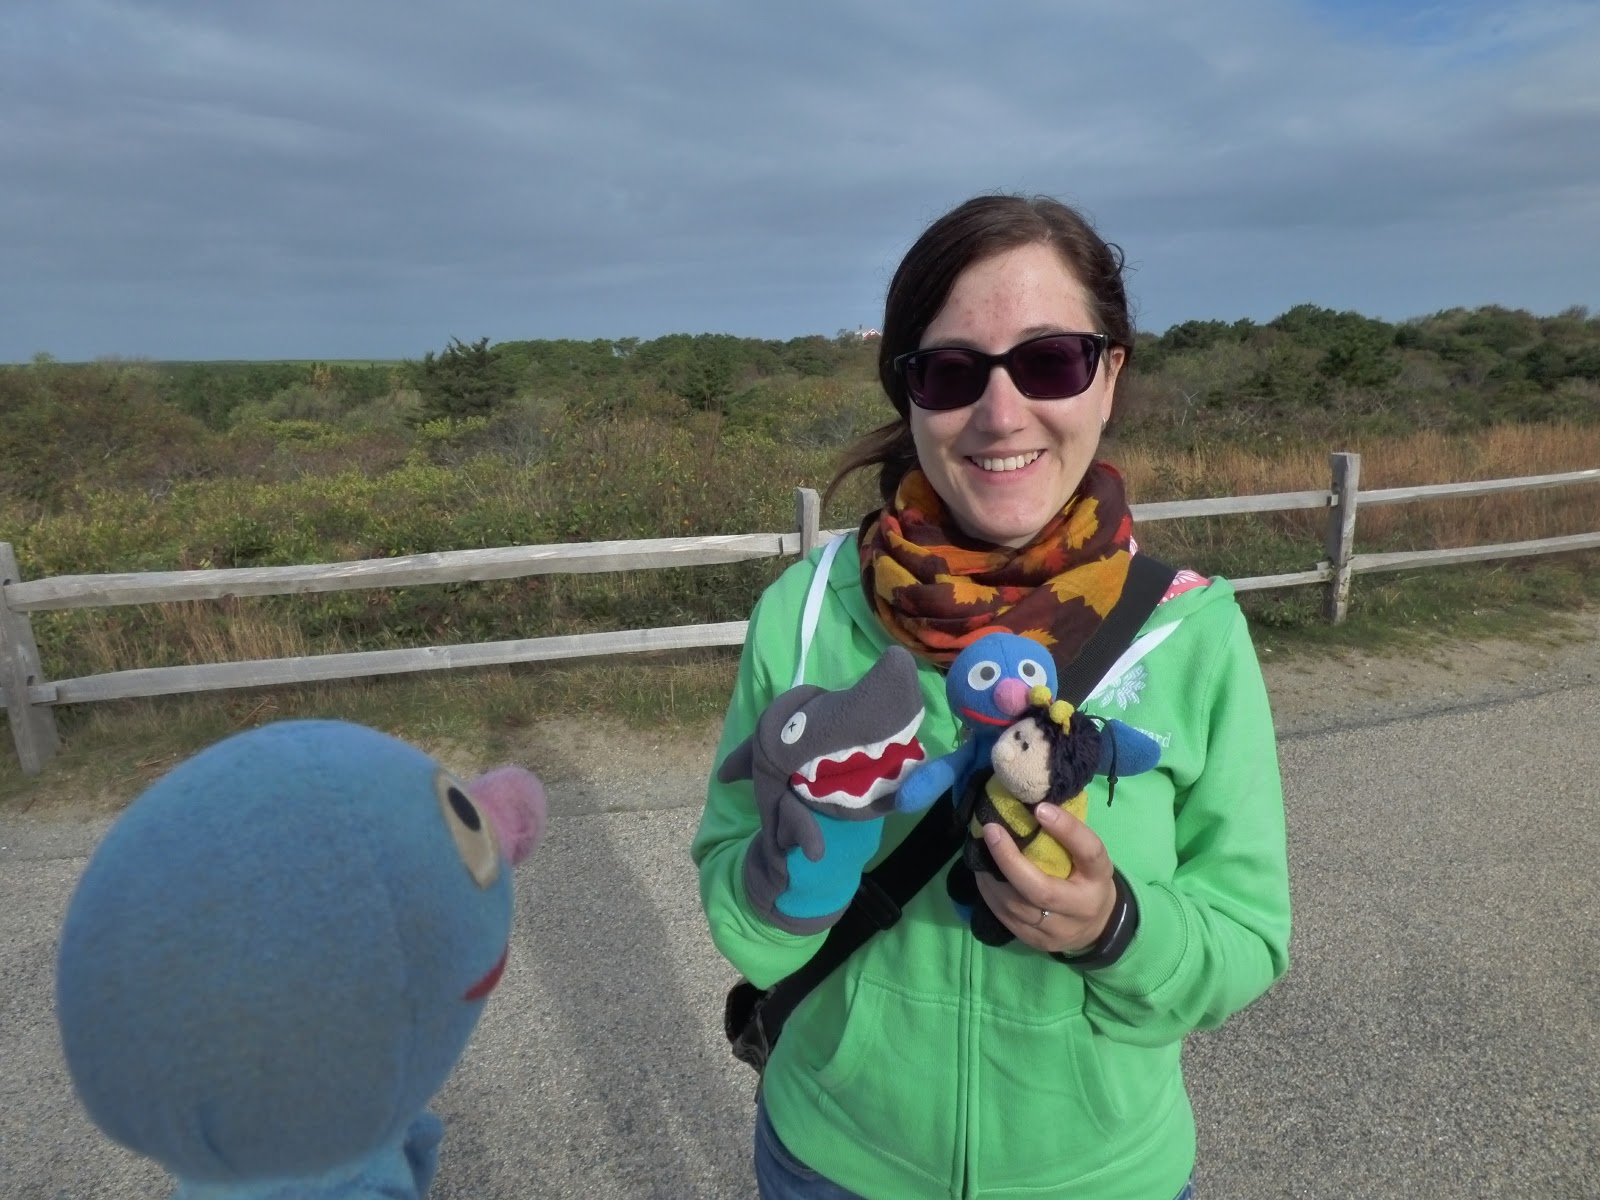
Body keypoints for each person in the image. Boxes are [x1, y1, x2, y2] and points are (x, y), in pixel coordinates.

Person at [691, 194, 1291, 1200]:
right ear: (908, 393)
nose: (1000, 413)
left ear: (1110, 375)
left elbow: (1247, 935)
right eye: (951, 371)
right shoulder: (805, 610)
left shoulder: (1193, 630)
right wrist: (798, 868)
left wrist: (1114, 927)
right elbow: (733, 903)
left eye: (1049, 361)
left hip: (1103, 1179)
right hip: (833, 1163)